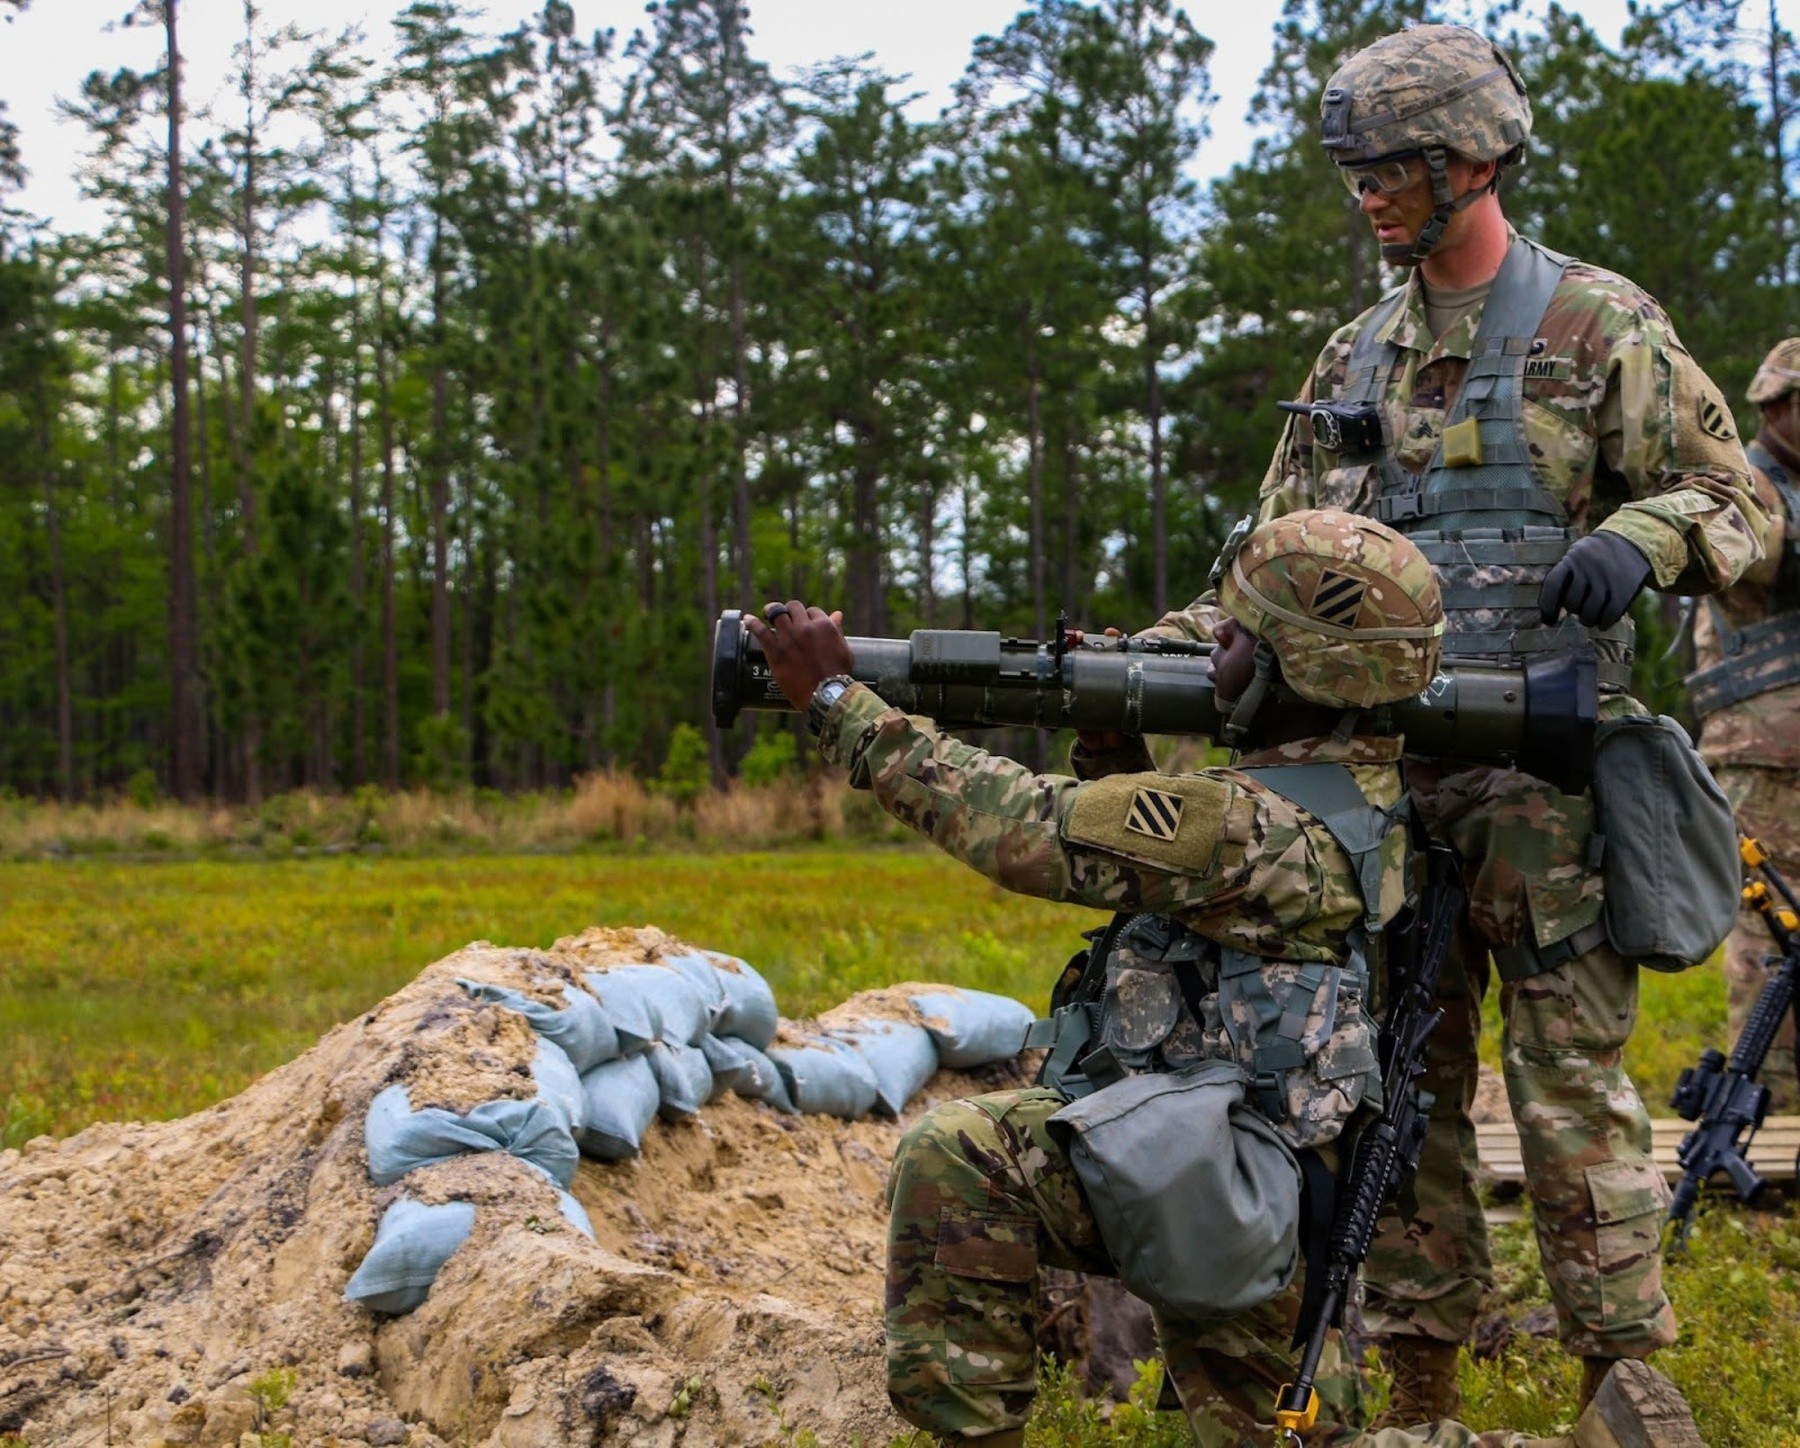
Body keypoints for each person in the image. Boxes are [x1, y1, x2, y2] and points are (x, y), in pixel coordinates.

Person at [746, 510, 1702, 1448]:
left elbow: (1025, 828)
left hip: (1225, 1185)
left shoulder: (1251, 831)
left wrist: (840, 704)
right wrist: (1112, 740)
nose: (1213, 653)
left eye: (1238, 635)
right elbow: (1164, 860)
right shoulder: (1358, 789)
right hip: (1252, 1171)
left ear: (1296, 670)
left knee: (959, 1156)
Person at [1138, 22, 1768, 1428]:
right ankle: (1425, 1378)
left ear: (1471, 161)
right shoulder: (1351, 354)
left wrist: (1652, 536)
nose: (1366, 195)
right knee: (1401, 1092)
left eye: (1389, 168)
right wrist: (1173, 651)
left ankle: (1623, 1377)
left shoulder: (1596, 326)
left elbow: (1746, 497)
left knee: (1569, 1087)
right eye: (1354, 171)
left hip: (1544, 784)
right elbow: (1269, 561)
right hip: (1382, 790)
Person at [1687, 338, 1800, 1113]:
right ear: (1781, 407)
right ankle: (1777, 1111)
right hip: (1766, 752)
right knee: (1772, 934)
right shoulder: (1747, 485)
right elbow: (1763, 561)